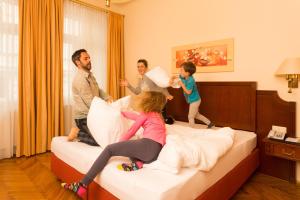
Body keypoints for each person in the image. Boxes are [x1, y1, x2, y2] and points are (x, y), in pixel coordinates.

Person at [62, 91, 167, 198]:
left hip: (147, 146)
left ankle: (82, 184)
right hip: (154, 153)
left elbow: (131, 131)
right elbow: (136, 117)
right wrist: (122, 113)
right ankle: (137, 163)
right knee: (130, 147)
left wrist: (117, 145)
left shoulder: (146, 114)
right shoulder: (158, 117)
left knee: (110, 149)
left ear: (148, 102)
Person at [68, 49, 112, 146]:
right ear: (78, 62)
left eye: (89, 58)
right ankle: (77, 132)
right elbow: (91, 102)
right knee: (100, 141)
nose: (89, 60)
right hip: (84, 118)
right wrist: (106, 110)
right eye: (85, 58)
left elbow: (98, 90)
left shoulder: (90, 75)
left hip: (92, 114)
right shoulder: (80, 79)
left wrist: (108, 98)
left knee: (109, 136)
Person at [120, 59, 174, 124]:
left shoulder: (151, 75)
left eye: (142, 66)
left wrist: (167, 94)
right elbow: (137, 92)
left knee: (161, 121)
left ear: (146, 67)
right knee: (150, 120)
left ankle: (167, 119)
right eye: (138, 67)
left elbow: (161, 85)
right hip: (150, 102)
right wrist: (128, 85)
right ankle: (167, 119)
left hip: (158, 101)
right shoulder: (140, 79)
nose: (139, 68)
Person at [170, 61, 214, 128]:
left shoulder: (191, 80)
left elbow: (188, 92)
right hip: (192, 100)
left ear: (187, 73)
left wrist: (182, 84)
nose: (180, 72)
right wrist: (172, 78)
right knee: (197, 115)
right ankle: (210, 123)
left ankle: (191, 130)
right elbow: (177, 77)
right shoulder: (183, 76)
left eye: (181, 70)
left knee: (190, 116)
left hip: (195, 101)